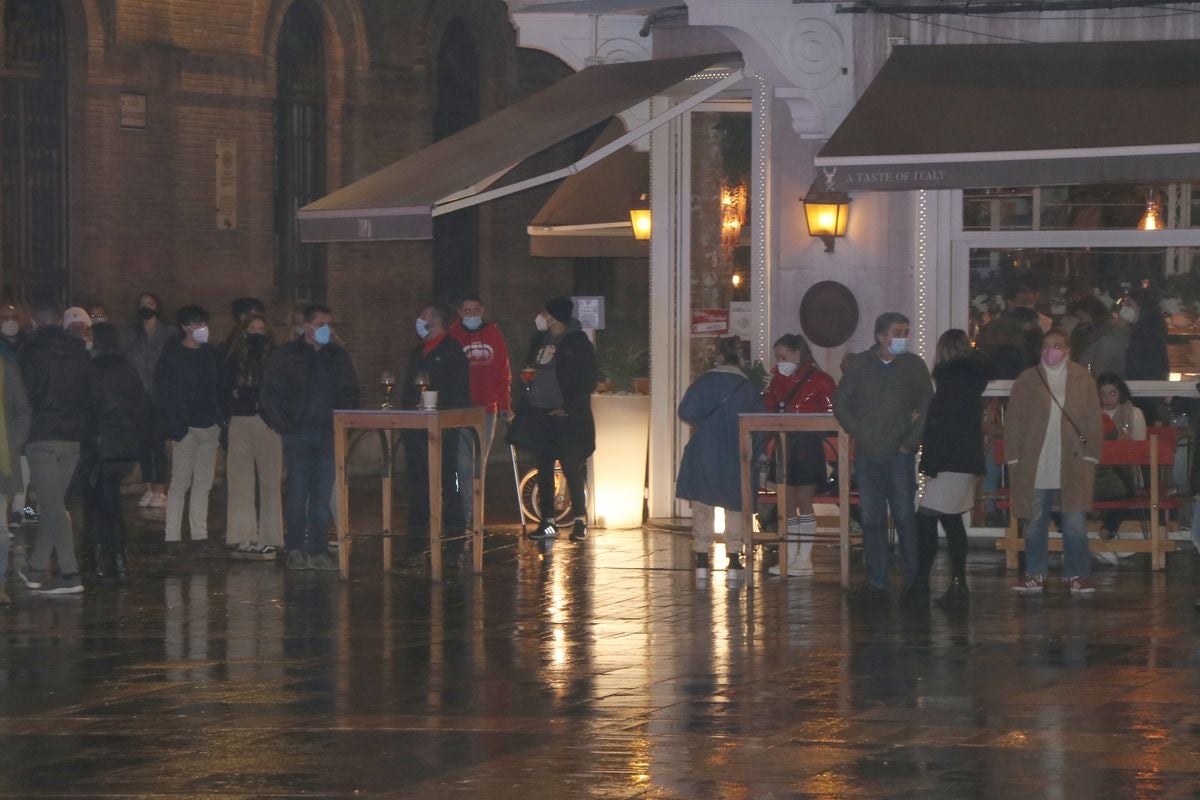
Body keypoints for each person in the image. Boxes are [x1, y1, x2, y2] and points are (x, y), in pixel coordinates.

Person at [832, 312, 932, 604]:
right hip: (867, 454)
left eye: (905, 331)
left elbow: (926, 404)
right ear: (880, 335)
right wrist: (857, 429)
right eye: (897, 332)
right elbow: (841, 400)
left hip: (899, 455)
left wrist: (910, 443)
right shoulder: (861, 364)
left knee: (903, 516)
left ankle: (913, 578)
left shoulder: (913, 366)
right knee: (872, 519)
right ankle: (877, 578)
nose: (902, 337)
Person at [260, 304, 359, 571]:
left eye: (329, 324)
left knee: (322, 493)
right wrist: (284, 425)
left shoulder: (337, 356)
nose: (327, 329)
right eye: (321, 324)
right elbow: (269, 393)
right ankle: (294, 547)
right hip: (298, 434)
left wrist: (345, 420)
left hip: (329, 433)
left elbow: (350, 390)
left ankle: (318, 548)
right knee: (297, 492)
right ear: (306, 327)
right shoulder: (287, 356)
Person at [1005, 328, 1103, 594]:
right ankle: (1034, 573)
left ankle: (1078, 574)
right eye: (1047, 346)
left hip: (1071, 461)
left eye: (1057, 346)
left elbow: (1093, 421)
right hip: (1036, 461)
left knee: (1074, 523)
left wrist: (1091, 455)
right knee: (1035, 521)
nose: (1052, 351)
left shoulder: (1083, 379)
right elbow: (1013, 421)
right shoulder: (1027, 379)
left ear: (1068, 350)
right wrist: (1013, 457)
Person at [18, 303, 93, 594]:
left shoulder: (32, 353)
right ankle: (36, 568)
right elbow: (91, 393)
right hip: (72, 437)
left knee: (50, 506)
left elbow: (28, 396)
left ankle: (70, 573)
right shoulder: (79, 353)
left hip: (43, 436)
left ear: (36, 324)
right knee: (54, 506)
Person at [913, 330, 991, 607]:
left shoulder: (950, 383)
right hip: (962, 461)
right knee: (951, 519)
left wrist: (930, 462)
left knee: (927, 518)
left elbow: (943, 427)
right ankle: (955, 583)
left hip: (948, 463)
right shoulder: (968, 383)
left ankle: (923, 581)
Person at [676, 336, 762, 582]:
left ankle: (702, 555)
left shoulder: (704, 382)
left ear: (720, 356)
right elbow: (760, 423)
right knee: (735, 502)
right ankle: (734, 557)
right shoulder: (748, 388)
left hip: (706, 448)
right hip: (737, 450)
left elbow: (686, 411)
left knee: (703, 501)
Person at [519, 296, 597, 542]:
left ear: (555, 316)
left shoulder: (576, 342)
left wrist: (569, 406)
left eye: (545, 313)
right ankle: (548, 521)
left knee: (571, 467)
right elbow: (530, 366)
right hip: (540, 412)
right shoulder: (540, 340)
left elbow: (587, 379)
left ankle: (580, 520)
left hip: (565, 416)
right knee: (543, 468)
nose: (541, 317)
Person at [400, 302, 471, 564]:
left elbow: (459, 392)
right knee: (418, 487)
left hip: (443, 429)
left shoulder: (452, 352)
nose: (419, 319)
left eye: (424, 316)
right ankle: (416, 546)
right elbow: (408, 388)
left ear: (437, 321)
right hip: (416, 430)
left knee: (448, 485)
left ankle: (454, 544)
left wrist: (440, 409)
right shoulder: (417, 352)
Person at [761, 333, 836, 577]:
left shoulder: (821, 380)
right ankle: (791, 557)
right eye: (777, 357)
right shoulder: (776, 381)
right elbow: (769, 408)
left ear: (797, 353)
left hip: (806, 445)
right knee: (788, 503)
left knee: (804, 502)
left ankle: (804, 559)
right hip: (784, 444)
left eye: (783, 356)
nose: (779, 361)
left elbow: (831, 413)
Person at [82, 322, 147, 582]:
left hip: (100, 448)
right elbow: (140, 405)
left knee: (100, 506)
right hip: (123, 448)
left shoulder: (94, 369)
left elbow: (89, 407)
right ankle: (117, 561)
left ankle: (105, 562)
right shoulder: (128, 369)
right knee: (112, 504)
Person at [154, 305, 221, 555]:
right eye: (197, 323)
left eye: (204, 323)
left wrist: (218, 419)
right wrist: (175, 425)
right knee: (180, 481)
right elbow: (163, 392)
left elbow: (217, 387)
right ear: (185, 327)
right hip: (186, 427)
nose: (203, 328)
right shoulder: (172, 356)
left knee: (203, 483)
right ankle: (172, 536)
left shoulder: (209, 354)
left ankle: (199, 535)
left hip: (209, 426)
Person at [219, 313, 283, 561]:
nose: (257, 332)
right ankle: (241, 535)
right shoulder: (233, 357)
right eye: (252, 328)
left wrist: (273, 414)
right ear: (244, 331)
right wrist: (232, 407)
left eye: (261, 328)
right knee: (240, 480)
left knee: (270, 481)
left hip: (267, 422)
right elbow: (222, 387)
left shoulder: (275, 358)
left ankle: (271, 537)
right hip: (240, 420)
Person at [448, 294, 512, 531]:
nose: (471, 314)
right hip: (462, 407)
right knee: (463, 463)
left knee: (478, 463)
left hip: (486, 408)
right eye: (467, 310)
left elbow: (501, 370)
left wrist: (505, 405)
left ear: (482, 311)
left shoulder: (493, 334)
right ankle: (465, 514)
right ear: (460, 311)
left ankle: (475, 512)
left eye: (475, 310)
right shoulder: (453, 335)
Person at [120, 292, 174, 509]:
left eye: (150, 303)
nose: (146, 307)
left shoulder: (168, 334)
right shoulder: (132, 336)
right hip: (139, 397)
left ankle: (161, 488)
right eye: (142, 304)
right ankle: (149, 486)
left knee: (158, 444)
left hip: (161, 396)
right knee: (143, 444)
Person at [1093, 372, 1147, 565]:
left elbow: (1142, 450)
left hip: (1127, 472)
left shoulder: (1134, 414)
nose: (1107, 398)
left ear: (1121, 393)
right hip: (1097, 473)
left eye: (1112, 393)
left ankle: (1106, 533)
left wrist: (1125, 445)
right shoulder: (1091, 415)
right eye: (1103, 393)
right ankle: (1108, 535)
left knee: (1123, 489)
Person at [0, 354, 31, 603]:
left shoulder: (7, 369)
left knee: (0, 525)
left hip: (2, 459)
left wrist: (11, 445)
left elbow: (22, 411)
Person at [0, 303, 32, 528]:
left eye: (14, 316)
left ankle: (23, 512)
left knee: (25, 477)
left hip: (22, 420)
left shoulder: (29, 345)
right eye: (5, 317)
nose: (10, 321)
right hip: (8, 423)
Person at [1067, 294, 1127, 377]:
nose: (1079, 323)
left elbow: (1098, 372)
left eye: (1081, 318)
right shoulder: (1092, 337)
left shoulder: (1107, 338)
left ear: (1093, 314)